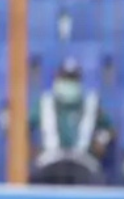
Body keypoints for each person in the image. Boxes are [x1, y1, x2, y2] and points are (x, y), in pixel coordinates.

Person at [29, 58, 115, 186]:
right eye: (66, 79)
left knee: (97, 180)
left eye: (73, 79)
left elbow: (109, 129)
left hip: (83, 162)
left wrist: (101, 141)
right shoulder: (45, 103)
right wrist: (31, 150)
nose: (69, 83)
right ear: (58, 79)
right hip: (50, 161)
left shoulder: (91, 104)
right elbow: (23, 128)